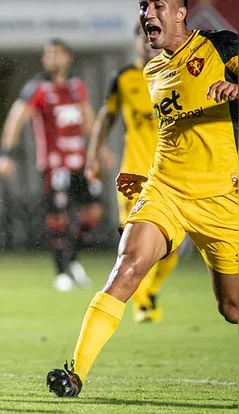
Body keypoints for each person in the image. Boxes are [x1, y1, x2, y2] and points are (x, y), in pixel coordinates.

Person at [47, 0, 238, 398]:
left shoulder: (219, 47)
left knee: (232, 308)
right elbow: (173, 135)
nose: (148, 12)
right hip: (164, 190)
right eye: (143, 6)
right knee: (128, 266)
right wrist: (147, 176)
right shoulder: (151, 71)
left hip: (221, 196)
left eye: (158, 5)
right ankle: (76, 373)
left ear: (181, 13)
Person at [0, 39, 109, 292]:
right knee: (58, 216)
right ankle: (61, 272)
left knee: (94, 211)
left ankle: (73, 260)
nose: (52, 58)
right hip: (55, 164)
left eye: (57, 53)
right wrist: (6, 154)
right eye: (48, 54)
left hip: (81, 161)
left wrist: (101, 149)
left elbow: (88, 119)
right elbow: (16, 119)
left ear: (68, 57)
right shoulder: (36, 88)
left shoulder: (76, 86)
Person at [86, 22, 179, 323]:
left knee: (172, 247)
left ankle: (149, 291)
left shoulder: (177, 74)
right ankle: (142, 303)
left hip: (172, 174)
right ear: (136, 41)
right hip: (134, 175)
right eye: (141, 35)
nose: (147, 40)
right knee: (135, 242)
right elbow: (106, 117)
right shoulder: (124, 78)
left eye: (151, 34)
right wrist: (93, 157)